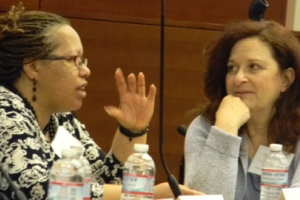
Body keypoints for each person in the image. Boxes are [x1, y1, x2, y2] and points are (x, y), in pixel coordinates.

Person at [0, 3, 203, 200]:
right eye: (73, 59)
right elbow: (38, 190)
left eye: (83, 61)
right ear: (33, 67)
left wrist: (132, 131)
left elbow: (105, 183)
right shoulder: (4, 110)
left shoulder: (61, 119)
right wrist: (145, 194)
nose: (85, 71)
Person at [184, 19, 300, 200]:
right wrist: (225, 131)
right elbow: (204, 197)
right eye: (232, 68)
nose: (238, 78)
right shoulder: (205, 128)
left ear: (285, 79)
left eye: (254, 67)